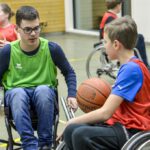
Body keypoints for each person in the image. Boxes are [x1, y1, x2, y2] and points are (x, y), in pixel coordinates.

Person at [62, 16, 150, 150]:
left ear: (116, 44)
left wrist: (72, 120)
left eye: (105, 42)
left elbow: (105, 113)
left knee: (81, 134)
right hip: (120, 122)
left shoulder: (131, 69)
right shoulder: (129, 66)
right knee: (71, 131)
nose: (104, 46)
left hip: (132, 128)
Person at [0, 5, 78, 150]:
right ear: (17, 29)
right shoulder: (7, 52)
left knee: (43, 90)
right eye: (28, 29)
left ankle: (45, 144)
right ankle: (30, 145)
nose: (33, 33)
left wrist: (72, 94)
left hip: (45, 96)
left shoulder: (51, 48)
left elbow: (69, 72)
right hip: (17, 96)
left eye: (37, 28)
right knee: (18, 93)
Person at [99, 0, 149, 68]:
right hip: (113, 40)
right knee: (139, 38)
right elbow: (116, 33)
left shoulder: (109, 15)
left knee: (139, 37)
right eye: (120, 5)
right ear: (117, 6)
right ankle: (144, 64)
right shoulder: (110, 18)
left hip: (111, 39)